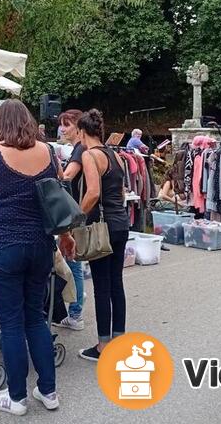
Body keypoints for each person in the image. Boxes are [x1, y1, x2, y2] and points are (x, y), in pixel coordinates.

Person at [0, 99, 74, 415]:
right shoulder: (49, 153)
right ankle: (48, 392)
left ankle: (16, 398)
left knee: (11, 323)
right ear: (27, 121)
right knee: (35, 318)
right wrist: (65, 237)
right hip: (40, 246)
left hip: (4, 247)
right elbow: (58, 202)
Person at [78, 109, 130, 362]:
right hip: (121, 223)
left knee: (101, 286)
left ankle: (102, 346)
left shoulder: (90, 156)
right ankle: (119, 339)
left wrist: (76, 217)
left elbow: (93, 193)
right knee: (116, 283)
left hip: (102, 227)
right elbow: (119, 192)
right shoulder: (116, 156)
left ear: (81, 132)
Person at [53, 109, 85, 332]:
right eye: (61, 125)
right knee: (73, 263)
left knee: (74, 264)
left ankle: (75, 313)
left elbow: (66, 176)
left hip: (73, 215)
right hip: (74, 213)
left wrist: (54, 164)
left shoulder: (80, 149)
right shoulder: (79, 148)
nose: (63, 129)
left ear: (78, 126)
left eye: (67, 125)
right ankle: (74, 310)